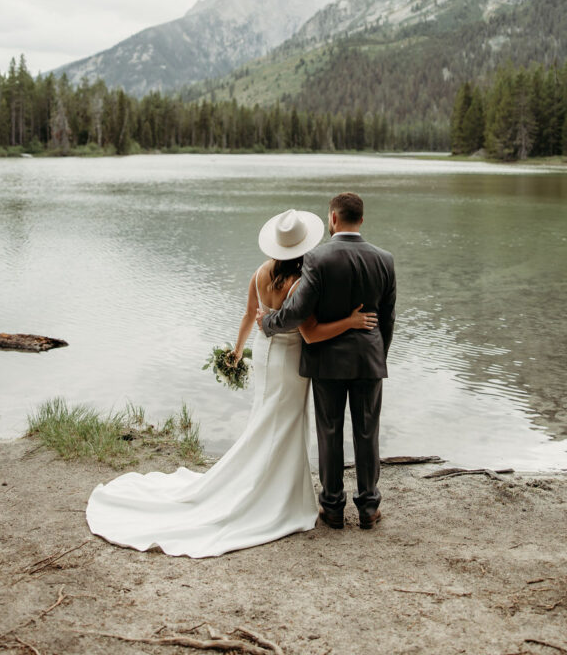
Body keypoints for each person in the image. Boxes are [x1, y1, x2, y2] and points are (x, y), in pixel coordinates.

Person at [85, 208, 376, 558]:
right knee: (283, 424)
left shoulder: (259, 273)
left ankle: (269, 482)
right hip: (288, 361)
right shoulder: (301, 283)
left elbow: (247, 316)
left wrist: (237, 353)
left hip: (264, 354)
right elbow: (310, 335)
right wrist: (351, 321)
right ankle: (276, 494)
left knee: (265, 419)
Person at [257, 192, 396, 530]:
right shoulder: (385, 259)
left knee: (330, 433)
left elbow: (297, 312)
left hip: (327, 362)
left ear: (333, 218)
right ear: (361, 220)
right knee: (367, 433)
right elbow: (388, 319)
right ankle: (368, 507)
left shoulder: (317, 259)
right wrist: (378, 354)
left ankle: (332, 508)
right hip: (368, 360)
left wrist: (267, 324)